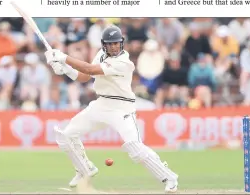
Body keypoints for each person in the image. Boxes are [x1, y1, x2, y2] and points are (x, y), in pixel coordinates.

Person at [44, 25, 179, 193]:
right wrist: (66, 70)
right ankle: (85, 168)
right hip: (102, 104)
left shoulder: (124, 62)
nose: (114, 47)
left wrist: (64, 58)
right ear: (104, 45)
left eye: (117, 43)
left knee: (134, 147)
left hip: (122, 108)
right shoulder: (101, 55)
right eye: (110, 44)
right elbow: (85, 76)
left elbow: (89, 69)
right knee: (66, 136)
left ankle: (169, 177)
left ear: (121, 43)